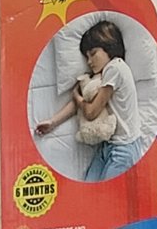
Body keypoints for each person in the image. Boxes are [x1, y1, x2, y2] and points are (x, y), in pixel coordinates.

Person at [35, 17, 148, 181]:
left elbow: (90, 112)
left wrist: (76, 96)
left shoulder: (116, 68)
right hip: (108, 145)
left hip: (125, 148)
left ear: (109, 46)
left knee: (104, 195)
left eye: (93, 54)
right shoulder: (102, 74)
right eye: (87, 56)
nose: (89, 61)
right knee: (89, 187)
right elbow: (81, 103)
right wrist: (52, 122)